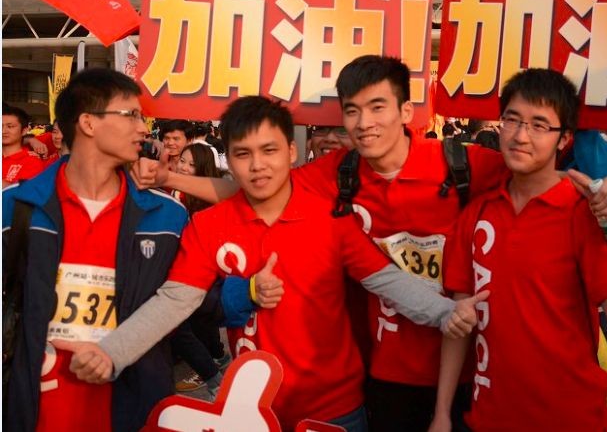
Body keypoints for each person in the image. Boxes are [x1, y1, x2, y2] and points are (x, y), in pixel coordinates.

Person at [127, 55, 607, 431]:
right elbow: (257, 186)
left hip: (468, 368)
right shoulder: (337, 172)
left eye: (377, 107)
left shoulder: (465, 164)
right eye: (353, 110)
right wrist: (169, 179)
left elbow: (543, 171)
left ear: (406, 110)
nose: (365, 123)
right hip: (387, 371)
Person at [62, 95, 486, 432]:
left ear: (291, 151)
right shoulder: (208, 226)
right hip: (249, 409)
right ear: (229, 159)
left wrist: (446, 312)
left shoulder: (331, 219)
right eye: (243, 154)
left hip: (335, 411)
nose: (258, 166)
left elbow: (387, 280)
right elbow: (174, 301)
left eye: (269, 150)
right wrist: (111, 353)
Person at [429, 69, 607, 432]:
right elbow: (459, 323)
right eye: (512, 120)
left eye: (539, 125)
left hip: (572, 418)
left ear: (564, 138)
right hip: (488, 417)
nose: (521, 136)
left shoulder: (584, 214)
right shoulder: (476, 214)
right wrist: (442, 413)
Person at [1, 69, 189, 432]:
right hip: (35, 407)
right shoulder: (14, 208)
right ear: (87, 123)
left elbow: (197, 298)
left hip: (133, 407)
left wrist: (248, 291)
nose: (143, 129)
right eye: (131, 115)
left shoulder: (167, 216)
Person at [170, 143, 230, 397]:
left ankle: (211, 372)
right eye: (183, 161)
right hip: (185, 270)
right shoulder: (176, 192)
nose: (184, 167)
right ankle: (216, 358)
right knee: (196, 324)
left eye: (192, 164)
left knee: (190, 324)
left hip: (205, 273)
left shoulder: (208, 202)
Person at [3, 103, 46, 187]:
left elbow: (26, 191)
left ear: (24, 131)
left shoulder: (32, 161)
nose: (3, 131)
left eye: (10, 126)